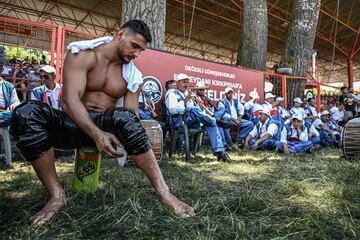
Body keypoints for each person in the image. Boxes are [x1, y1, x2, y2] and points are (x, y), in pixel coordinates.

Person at [10, 20, 195, 225]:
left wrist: (125, 138)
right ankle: (56, 194)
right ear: (120, 34)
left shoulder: (133, 76)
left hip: (106, 129)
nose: (136, 54)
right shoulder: (82, 54)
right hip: (72, 126)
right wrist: (97, 134)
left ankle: (164, 193)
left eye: (141, 50)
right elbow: (69, 102)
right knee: (26, 112)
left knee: (125, 116)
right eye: (134, 46)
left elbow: (131, 114)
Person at [165, 73, 231, 162]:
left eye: (187, 82)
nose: (186, 84)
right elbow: (173, 109)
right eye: (184, 82)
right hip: (179, 121)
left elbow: (195, 111)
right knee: (193, 110)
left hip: (191, 121)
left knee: (210, 124)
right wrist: (187, 99)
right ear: (178, 82)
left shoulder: (186, 94)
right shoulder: (171, 93)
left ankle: (220, 152)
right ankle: (215, 120)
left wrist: (198, 104)